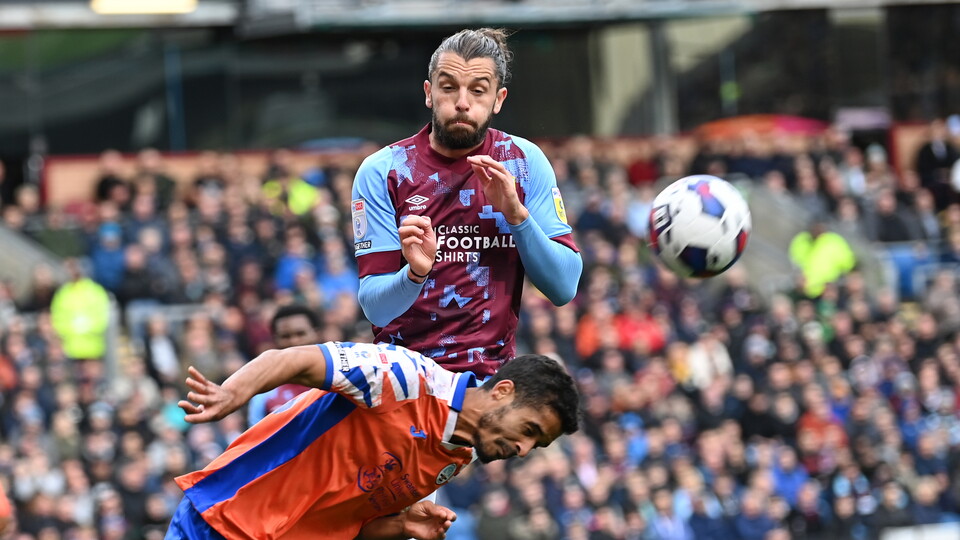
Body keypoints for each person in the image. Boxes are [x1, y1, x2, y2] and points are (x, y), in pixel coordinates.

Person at [167, 341, 580, 540]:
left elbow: (350, 522)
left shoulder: (458, 457)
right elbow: (293, 360)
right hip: (223, 520)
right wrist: (232, 392)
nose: (523, 450)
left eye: (536, 446)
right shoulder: (405, 377)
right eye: (529, 431)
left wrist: (401, 525)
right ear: (503, 391)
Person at [351, 28, 582, 379]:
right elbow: (375, 309)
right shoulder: (385, 170)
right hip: (405, 381)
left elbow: (564, 288)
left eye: (478, 90)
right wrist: (415, 274)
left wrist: (517, 216)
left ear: (498, 99)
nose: (462, 102)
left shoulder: (523, 162)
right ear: (429, 93)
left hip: (490, 385)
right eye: (448, 87)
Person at [246, 304, 320, 426]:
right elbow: (257, 440)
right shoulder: (263, 392)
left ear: (316, 333)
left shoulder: (339, 378)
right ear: (275, 340)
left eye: (300, 334)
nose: (294, 341)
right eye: (285, 336)